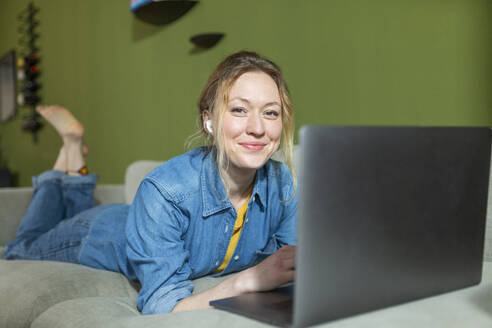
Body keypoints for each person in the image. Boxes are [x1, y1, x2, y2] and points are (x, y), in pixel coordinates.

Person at [3, 50, 298, 314]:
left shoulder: (284, 183)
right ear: (209, 121)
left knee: (72, 212)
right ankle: (67, 154)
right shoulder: (166, 192)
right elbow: (162, 305)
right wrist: (249, 280)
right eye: (239, 110)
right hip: (99, 232)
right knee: (21, 246)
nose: (258, 128)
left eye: (270, 113)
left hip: (140, 222)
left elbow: (292, 265)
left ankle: (72, 150)